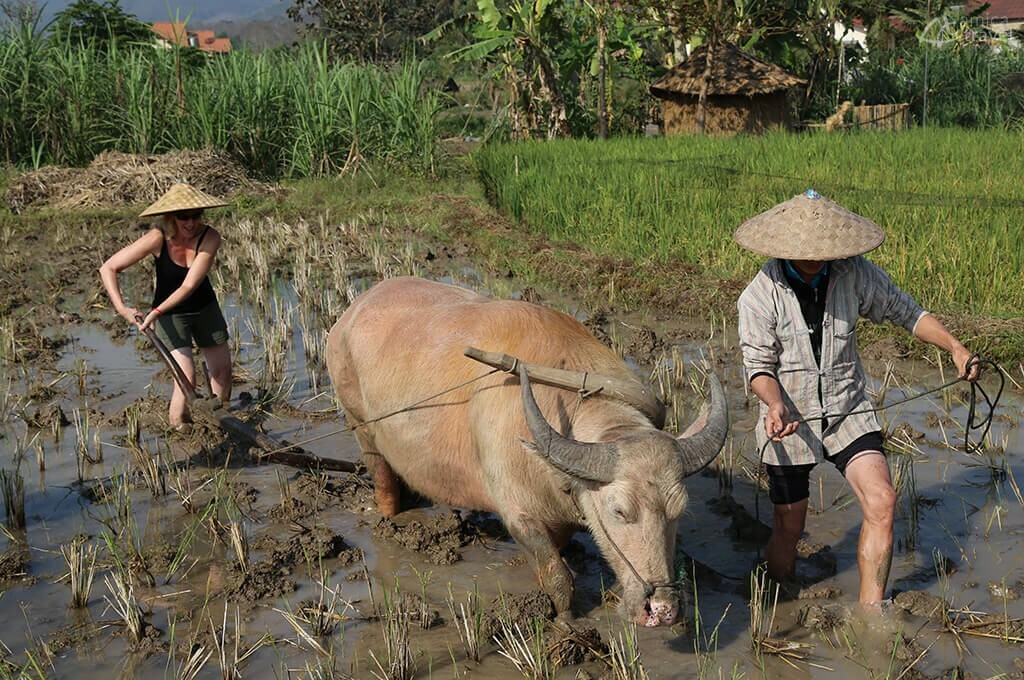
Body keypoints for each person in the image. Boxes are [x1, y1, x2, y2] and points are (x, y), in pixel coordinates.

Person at [735, 190, 980, 605]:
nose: (814, 260)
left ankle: (871, 614)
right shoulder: (759, 296)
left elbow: (906, 311)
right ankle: (776, 597)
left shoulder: (854, 273)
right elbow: (758, 367)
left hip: (847, 409)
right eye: (803, 253)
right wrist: (775, 403)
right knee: (789, 526)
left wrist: (954, 346)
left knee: (883, 500)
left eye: (821, 252)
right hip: (790, 417)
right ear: (784, 250)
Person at [100, 182, 233, 428]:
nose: (190, 223)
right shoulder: (158, 237)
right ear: (171, 217)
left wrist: (155, 312)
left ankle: (220, 423)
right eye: (184, 217)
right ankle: (179, 427)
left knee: (222, 371)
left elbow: (189, 285)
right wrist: (122, 308)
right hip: (171, 316)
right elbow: (108, 267)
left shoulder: (210, 237)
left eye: (195, 216)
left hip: (204, 308)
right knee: (186, 380)